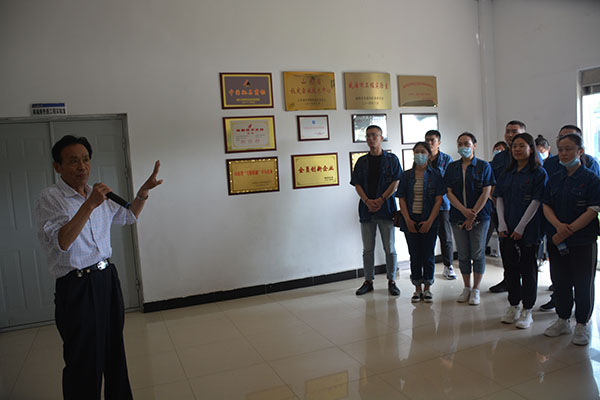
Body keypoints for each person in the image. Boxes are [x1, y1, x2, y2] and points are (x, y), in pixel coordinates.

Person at [35, 135, 163, 399]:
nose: (82, 167)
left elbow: (129, 215)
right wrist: (89, 204)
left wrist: (143, 192)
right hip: (77, 286)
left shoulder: (97, 193)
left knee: (114, 350)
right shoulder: (51, 198)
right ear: (57, 166)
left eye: (85, 159)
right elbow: (62, 241)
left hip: (107, 279)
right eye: (73, 161)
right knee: (83, 359)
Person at [542, 134, 600, 346]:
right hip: (557, 239)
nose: (564, 153)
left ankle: (582, 324)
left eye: (569, 149)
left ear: (580, 151)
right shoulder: (554, 177)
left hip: (582, 240)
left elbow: (593, 209)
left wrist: (569, 230)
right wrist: (558, 227)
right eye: (561, 149)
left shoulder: (591, 179)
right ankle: (563, 319)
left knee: (583, 283)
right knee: (560, 281)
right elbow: (546, 205)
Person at [495, 133, 547, 329]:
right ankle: (513, 305)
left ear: (531, 149)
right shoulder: (507, 172)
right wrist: (502, 224)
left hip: (529, 229)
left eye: (521, 146)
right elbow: (499, 198)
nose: (517, 149)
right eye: (514, 146)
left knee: (528, 270)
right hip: (506, 229)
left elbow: (536, 201)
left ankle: (527, 309)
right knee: (510, 269)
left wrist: (521, 227)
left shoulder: (539, 173)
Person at [351, 125, 402, 296]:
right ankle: (368, 281)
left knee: (390, 248)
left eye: (374, 135)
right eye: (368, 136)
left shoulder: (392, 159)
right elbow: (357, 184)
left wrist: (381, 199)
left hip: (386, 209)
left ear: (381, 137)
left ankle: (392, 280)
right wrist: (367, 201)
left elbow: (395, 182)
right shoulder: (362, 162)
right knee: (368, 249)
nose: (370, 139)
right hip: (367, 210)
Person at [444, 132, 495, 305]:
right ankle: (466, 287)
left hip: (480, 217)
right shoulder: (452, 167)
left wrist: (472, 214)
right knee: (463, 253)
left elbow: (486, 192)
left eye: (466, 143)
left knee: (477, 253)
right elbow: (449, 192)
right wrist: (464, 211)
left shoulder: (483, 166)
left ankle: (476, 289)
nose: (463, 147)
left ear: (474, 145)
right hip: (458, 217)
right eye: (460, 144)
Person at [396, 142, 446, 303]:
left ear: (429, 156)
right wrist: (408, 220)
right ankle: (417, 288)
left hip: (430, 221)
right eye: (416, 152)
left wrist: (430, 221)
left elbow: (439, 200)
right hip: (410, 220)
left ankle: (428, 288)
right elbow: (402, 199)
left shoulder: (436, 175)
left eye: (423, 152)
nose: (419, 155)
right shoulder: (406, 175)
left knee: (428, 255)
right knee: (415, 255)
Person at [489, 120, 527, 293]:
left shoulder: (532, 157)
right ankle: (509, 281)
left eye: (514, 131)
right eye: (508, 131)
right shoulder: (499, 158)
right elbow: (492, 182)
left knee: (526, 253)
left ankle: (526, 285)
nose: (510, 135)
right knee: (506, 249)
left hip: (524, 212)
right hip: (501, 211)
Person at [425, 130, 457, 280]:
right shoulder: (422, 158)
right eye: (427, 140)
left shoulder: (446, 159)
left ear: (439, 142)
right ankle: (426, 266)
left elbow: (450, 181)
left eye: (432, 140)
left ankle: (448, 266)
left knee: (446, 237)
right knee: (426, 236)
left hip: (443, 204)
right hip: (426, 204)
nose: (429, 143)